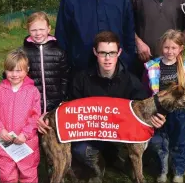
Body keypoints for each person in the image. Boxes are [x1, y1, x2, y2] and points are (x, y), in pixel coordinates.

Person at [63, 31, 165, 181]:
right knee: (80, 150)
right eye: (103, 53)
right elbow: (70, 109)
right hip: (94, 136)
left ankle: (128, 164)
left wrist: (156, 119)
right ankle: (98, 164)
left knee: (156, 141)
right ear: (95, 52)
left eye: (112, 53)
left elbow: (145, 110)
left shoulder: (131, 80)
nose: (107, 58)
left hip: (123, 137)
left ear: (119, 53)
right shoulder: (81, 79)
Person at [143, 29, 185, 183]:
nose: (170, 51)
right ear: (162, 47)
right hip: (159, 113)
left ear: (180, 48)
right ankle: (162, 171)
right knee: (161, 143)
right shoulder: (151, 67)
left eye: (174, 48)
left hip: (179, 113)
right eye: (166, 47)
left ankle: (178, 171)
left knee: (180, 142)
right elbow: (146, 91)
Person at [0, 49, 41, 183]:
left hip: (26, 143)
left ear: (26, 70)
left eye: (19, 70)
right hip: (4, 144)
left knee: (29, 175)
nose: (14, 74)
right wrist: (0, 130)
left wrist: (25, 134)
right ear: (5, 70)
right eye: (10, 70)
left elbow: (35, 116)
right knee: (7, 176)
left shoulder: (33, 92)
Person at [22, 12, 69, 128]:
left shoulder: (59, 52)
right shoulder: (23, 53)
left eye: (41, 29)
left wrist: (62, 97)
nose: (38, 33)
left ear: (49, 29)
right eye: (34, 30)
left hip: (54, 105)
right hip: (31, 106)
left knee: (52, 138)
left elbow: (65, 77)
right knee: (32, 138)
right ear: (28, 30)